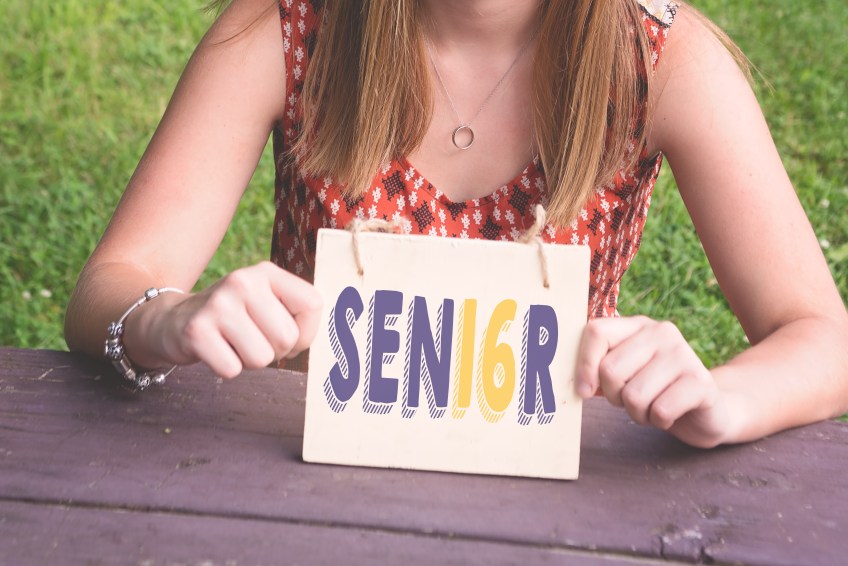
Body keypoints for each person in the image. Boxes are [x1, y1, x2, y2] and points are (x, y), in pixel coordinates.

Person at [65, 0, 848, 449]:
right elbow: (110, 285)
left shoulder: (659, 58)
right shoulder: (291, 27)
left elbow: (825, 336)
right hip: (308, 477)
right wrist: (162, 319)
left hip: (550, 492)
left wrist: (723, 397)